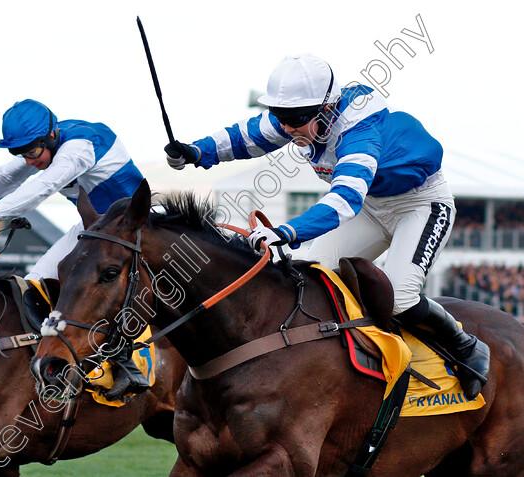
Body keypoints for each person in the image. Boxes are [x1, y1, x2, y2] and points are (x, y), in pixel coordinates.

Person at [163, 54, 490, 399]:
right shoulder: (301, 116)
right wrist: (194, 152)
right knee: (308, 273)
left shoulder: (359, 131)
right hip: (371, 206)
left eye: (296, 119)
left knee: (400, 298)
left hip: (421, 205)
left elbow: (344, 199)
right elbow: (245, 138)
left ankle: (466, 346)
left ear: (327, 109)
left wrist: (285, 232)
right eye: (282, 117)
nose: (287, 128)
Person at [0, 99, 150, 399]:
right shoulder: (41, 145)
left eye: (33, 151)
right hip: (98, 232)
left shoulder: (79, 148)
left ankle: (126, 365)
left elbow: (41, 187)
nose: (30, 160)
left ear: (51, 135)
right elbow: (4, 177)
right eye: (19, 152)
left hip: (139, 230)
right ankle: (59, 362)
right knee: (35, 285)